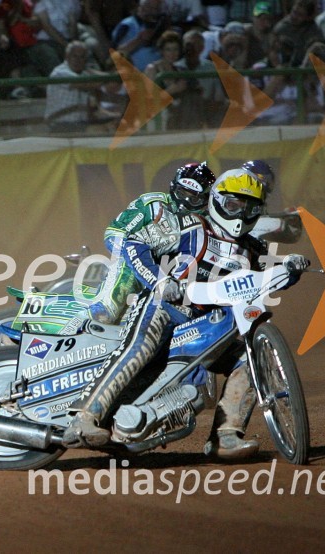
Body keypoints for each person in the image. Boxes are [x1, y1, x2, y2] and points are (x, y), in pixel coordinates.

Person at [63, 168, 309, 459]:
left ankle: (225, 436)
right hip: (165, 307)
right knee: (138, 348)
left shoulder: (253, 248)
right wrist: (160, 281)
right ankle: (84, 416)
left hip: (208, 322)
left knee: (248, 356)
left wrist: (290, 268)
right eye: (233, 205)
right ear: (217, 201)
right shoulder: (189, 226)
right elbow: (134, 244)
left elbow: (264, 279)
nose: (241, 215)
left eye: (250, 209)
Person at [83, 162, 217, 326]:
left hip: (178, 275)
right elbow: (115, 233)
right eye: (182, 193)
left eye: (193, 198)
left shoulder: (212, 220)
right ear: (173, 188)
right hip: (142, 263)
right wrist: (144, 260)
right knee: (109, 304)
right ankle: (102, 310)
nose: (185, 201)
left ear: (205, 199)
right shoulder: (152, 204)